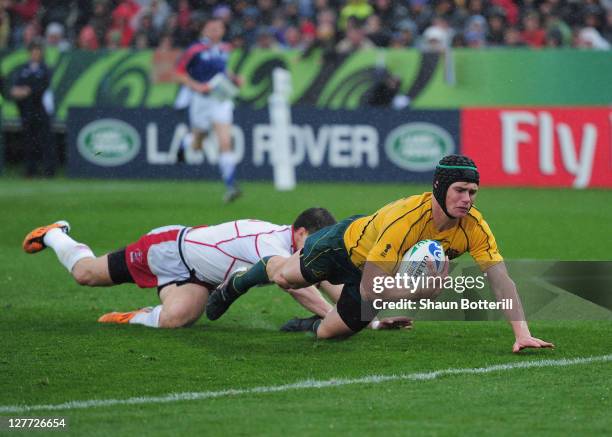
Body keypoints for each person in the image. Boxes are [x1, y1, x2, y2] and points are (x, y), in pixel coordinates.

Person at [207, 155, 554, 353]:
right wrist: (419, 293)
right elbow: (374, 289)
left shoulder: (474, 227)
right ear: (439, 188)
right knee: (284, 276)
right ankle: (236, 284)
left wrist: (521, 332)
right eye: (460, 190)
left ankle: (308, 322)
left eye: (473, 191)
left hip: (376, 273)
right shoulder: (405, 219)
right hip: (341, 247)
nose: (467, 198)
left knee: (330, 334)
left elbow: (501, 281)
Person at [22, 208, 338, 329]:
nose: (316, 248)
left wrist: (362, 315)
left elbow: (326, 278)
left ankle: (132, 316)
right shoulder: (271, 243)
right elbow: (301, 289)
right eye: (314, 240)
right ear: (298, 232)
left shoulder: (295, 247)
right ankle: (54, 234)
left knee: (178, 319)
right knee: (86, 274)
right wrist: (332, 318)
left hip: (199, 276)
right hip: (169, 250)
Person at [175, 16, 242, 203]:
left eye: (219, 28)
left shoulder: (224, 48)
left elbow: (222, 71)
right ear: (204, 30)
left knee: (225, 142)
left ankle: (231, 185)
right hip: (201, 101)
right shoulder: (195, 50)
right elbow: (179, 73)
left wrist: (234, 78)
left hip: (220, 99)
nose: (216, 31)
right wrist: (196, 86)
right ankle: (185, 143)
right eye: (212, 27)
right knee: (198, 142)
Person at [10, 39, 56, 178]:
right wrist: (17, 91)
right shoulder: (23, 69)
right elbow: (15, 87)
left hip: (41, 109)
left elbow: (42, 87)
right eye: (33, 52)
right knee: (29, 141)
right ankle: (30, 171)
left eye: (38, 52)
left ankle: (49, 171)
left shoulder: (45, 69)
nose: (36, 54)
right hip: (26, 109)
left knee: (45, 141)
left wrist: (27, 90)